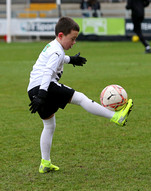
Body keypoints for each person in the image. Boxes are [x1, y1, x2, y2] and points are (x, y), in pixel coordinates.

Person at [27, 17, 133, 174]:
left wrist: (72, 60)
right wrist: (42, 94)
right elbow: (48, 71)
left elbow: (57, 59)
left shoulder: (52, 47)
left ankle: (45, 162)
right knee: (81, 98)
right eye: (73, 39)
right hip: (45, 87)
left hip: (32, 90)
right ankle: (116, 117)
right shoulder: (56, 51)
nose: (74, 42)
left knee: (49, 125)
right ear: (61, 35)